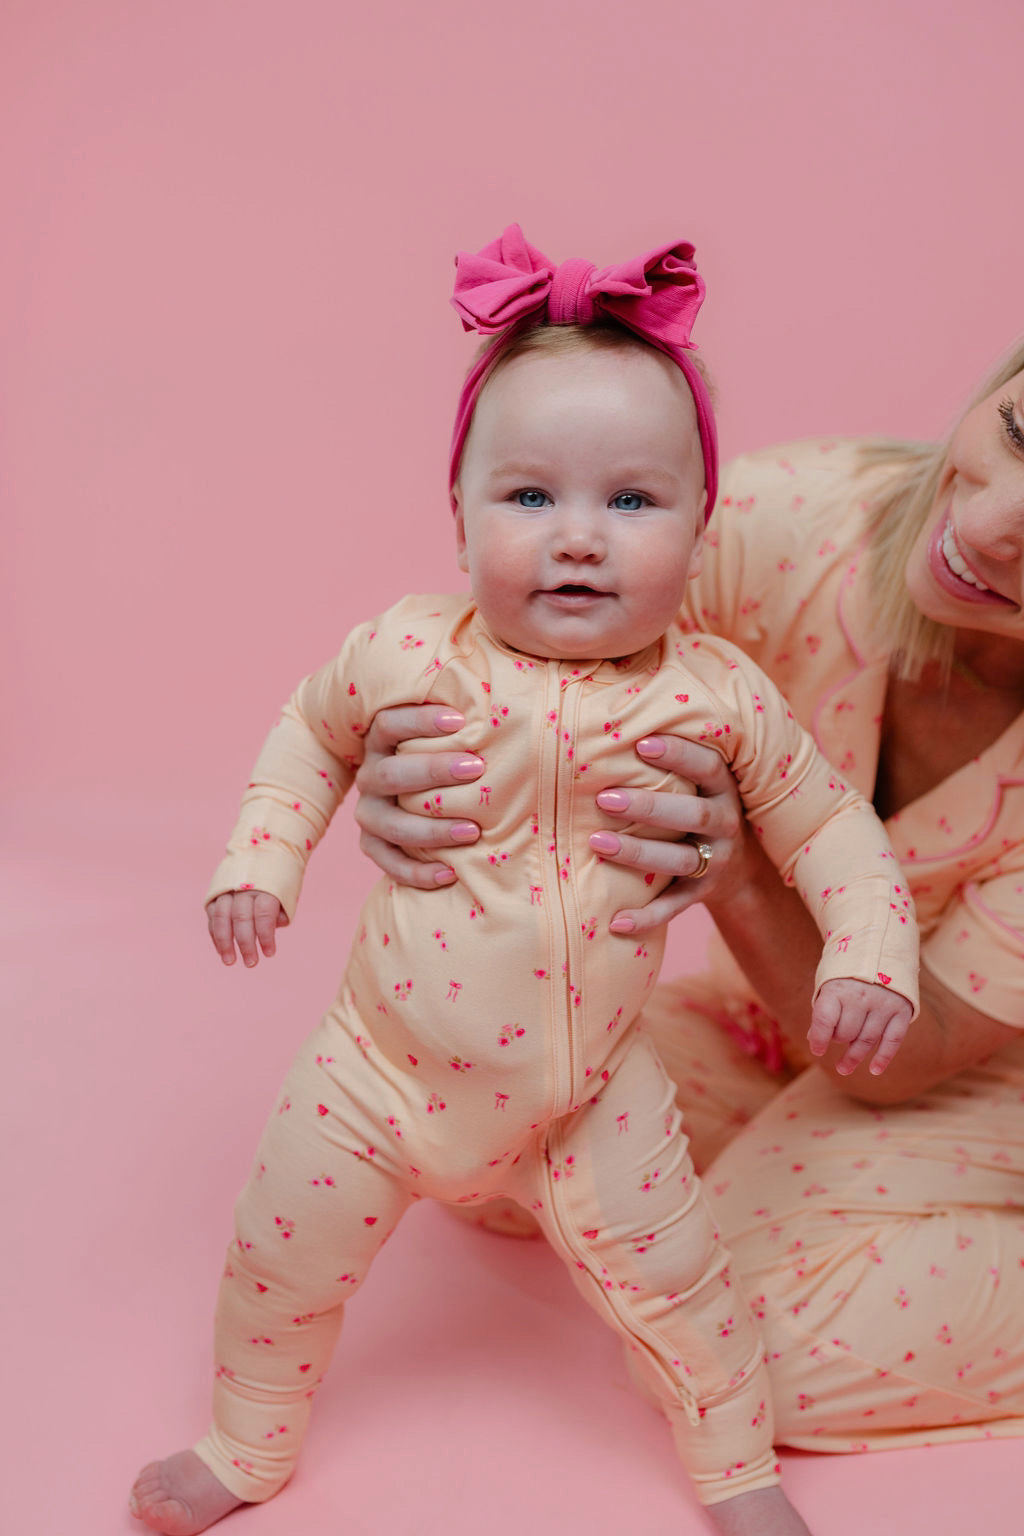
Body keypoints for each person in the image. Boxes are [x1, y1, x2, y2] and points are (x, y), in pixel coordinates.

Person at [128, 227, 922, 1536]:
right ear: (456, 514)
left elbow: (830, 827)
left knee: (686, 1289)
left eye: (631, 502)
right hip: (377, 1072)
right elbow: (306, 740)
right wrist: (258, 861)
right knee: (281, 1260)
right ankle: (245, 1441)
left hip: (589, 1097)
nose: (579, 541)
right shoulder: (403, 651)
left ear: (701, 525)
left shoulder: (716, 694)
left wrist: (868, 956)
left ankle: (737, 1472)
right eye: (530, 497)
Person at [352, 323, 1024, 1457]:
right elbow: (519, 661)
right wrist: (402, 763)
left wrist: (740, 879)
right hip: (791, 1022)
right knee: (476, 1124)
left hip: (964, 1063)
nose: (991, 521)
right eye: (1016, 432)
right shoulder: (782, 525)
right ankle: (799, 1165)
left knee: (759, 1346)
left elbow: (909, 1054)